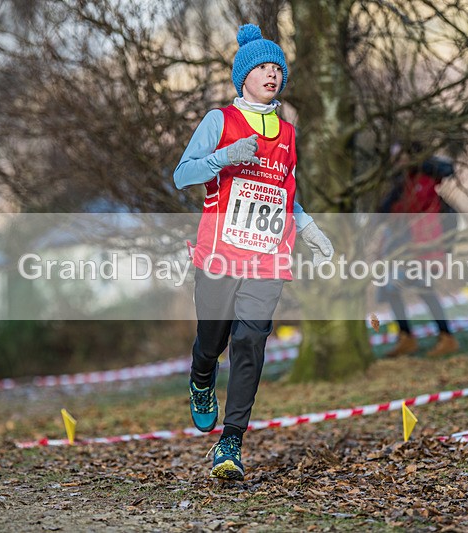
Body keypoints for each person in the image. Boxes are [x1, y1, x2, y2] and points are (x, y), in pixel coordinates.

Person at [173, 24, 334, 481]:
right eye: (262, 67)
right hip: (221, 252)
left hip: (267, 256)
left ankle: (231, 442)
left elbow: (281, 194)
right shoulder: (218, 121)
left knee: (250, 342)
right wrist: (225, 157)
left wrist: (307, 226)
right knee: (215, 338)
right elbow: (182, 174)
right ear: (243, 75)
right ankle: (202, 377)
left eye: (277, 68)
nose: (271, 74)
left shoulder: (287, 133)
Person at [376, 142, 460, 357]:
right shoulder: (401, 185)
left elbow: (447, 170)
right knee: (393, 288)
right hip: (404, 246)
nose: (397, 162)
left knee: (421, 289)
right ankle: (409, 336)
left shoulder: (424, 177)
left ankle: (443, 337)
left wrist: (420, 160)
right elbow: (384, 211)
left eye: (401, 157)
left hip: (422, 245)